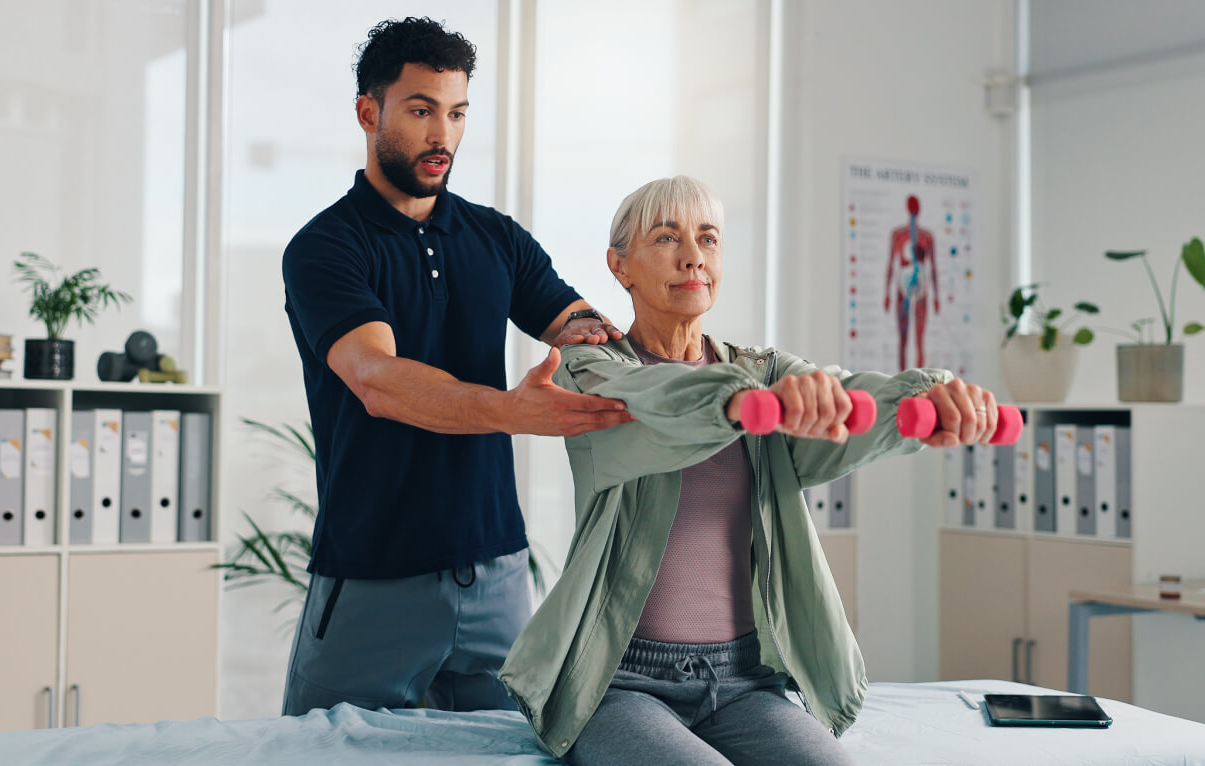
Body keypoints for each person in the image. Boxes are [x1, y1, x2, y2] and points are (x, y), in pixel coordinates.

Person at [498, 177, 998, 765]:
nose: (693, 256)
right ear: (620, 266)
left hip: (741, 682)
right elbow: (654, 402)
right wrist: (737, 403)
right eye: (666, 238)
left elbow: (847, 395)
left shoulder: (759, 369)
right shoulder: (589, 370)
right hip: (620, 682)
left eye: (708, 238)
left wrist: (929, 401)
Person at [279, 17, 632, 717]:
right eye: (420, 111)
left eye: (457, 112)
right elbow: (377, 379)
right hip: (372, 577)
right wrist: (509, 410)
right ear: (368, 112)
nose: (443, 135)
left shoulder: (495, 238)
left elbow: (584, 330)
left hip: (496, 577)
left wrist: (646, 333)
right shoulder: (325, 249)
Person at [883, 195, 940, 370]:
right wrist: (886, 294)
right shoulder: (898, 235)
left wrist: (937, 296)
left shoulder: (925, 237)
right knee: (904, 338)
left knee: (918, 340)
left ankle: (919, 382)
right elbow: (891, 264)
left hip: (919, 284)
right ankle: (902, 383)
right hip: (906, 283)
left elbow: (933, 268)